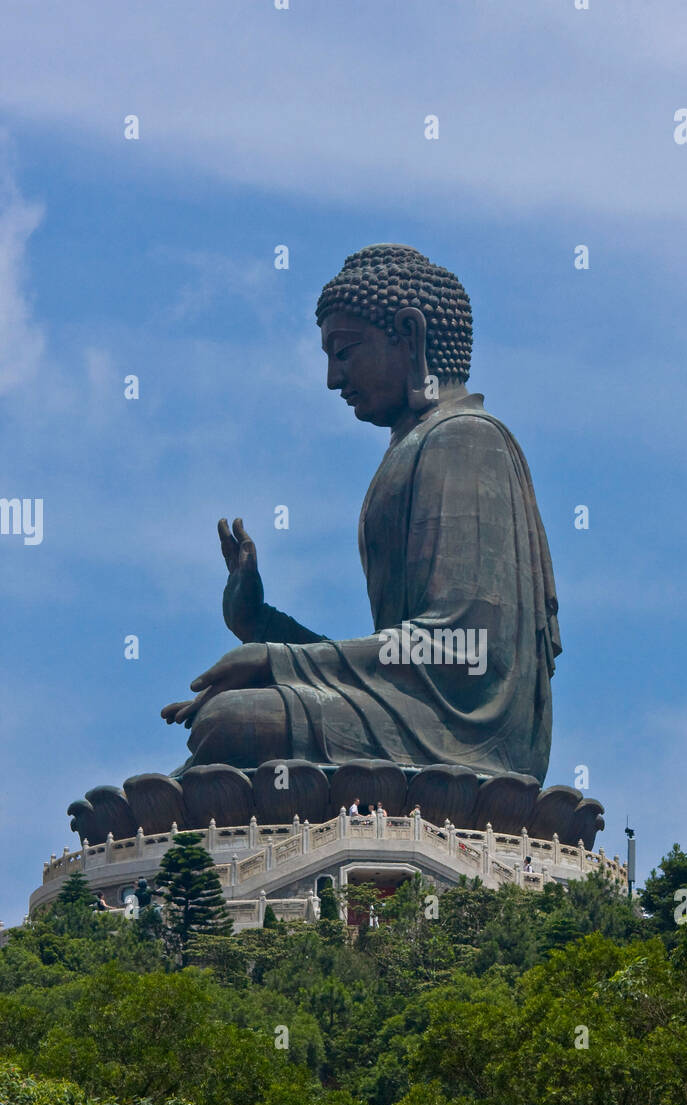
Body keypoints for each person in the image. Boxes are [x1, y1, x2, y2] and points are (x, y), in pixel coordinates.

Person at [161, 245, 561, 785]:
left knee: (228, 724)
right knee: (232, 721)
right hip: (410, 710)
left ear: (410, 334)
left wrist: (278, 660)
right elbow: (400, 654)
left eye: (344, 351)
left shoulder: (464, 440)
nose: (332, 378)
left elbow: (462, 648)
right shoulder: (415, 447)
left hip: (465, 735)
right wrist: (261, 624)